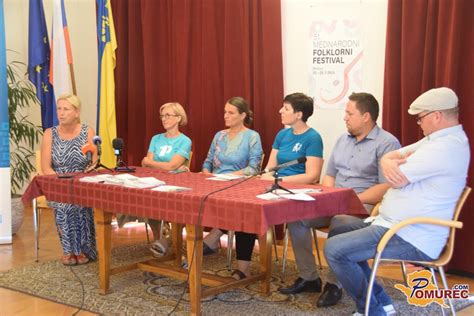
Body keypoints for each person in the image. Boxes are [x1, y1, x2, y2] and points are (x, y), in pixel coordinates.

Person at [324, 87, 470, 315]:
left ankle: (371, 310)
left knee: (335, 249)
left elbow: (396, 179)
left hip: (411, 234)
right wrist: (389, 160)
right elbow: (391, 157)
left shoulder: (446, 147)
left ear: (437, 116)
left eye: (421, 118)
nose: (419, 124)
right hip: (393, 224)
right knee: (340, 228)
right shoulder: (435, 140)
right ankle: (381, 300)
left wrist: (391, 161)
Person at [279, 92, 401, 309]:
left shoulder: (387, 143)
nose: (344, 117)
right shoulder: (342, 140)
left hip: (364, 205)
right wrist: (328, 197)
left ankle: (333, 284)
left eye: (349, 113)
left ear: (366, 116)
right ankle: (309, 277)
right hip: (335, 201)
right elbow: (330, 174)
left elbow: (386, 186)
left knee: (341, 222)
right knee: (296, 216)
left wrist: (349, 198)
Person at [117, 102, 192, 257]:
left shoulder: (185, 141)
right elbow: (146, 164)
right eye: (162, 116)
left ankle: (168, 239)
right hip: (154, 181)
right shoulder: (156, 139)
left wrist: (153, 163)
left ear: (178, 118)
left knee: (180, 204)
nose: (164, 119)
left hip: (175, 185)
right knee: (147, 199)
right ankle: (160, 238)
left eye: (168, 115)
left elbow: (168, 165)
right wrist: (160, 165)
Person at [201, 96, 263, 280]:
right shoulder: (219, 135)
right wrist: (207, 173)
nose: (225, 116)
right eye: (225, 112)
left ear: (242, 115)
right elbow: (208, 161)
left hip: (240, 185)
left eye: (231, 112)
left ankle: (214, 238)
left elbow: (253, 168)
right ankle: (201, 244)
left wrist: (226, 177)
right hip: (214, 183)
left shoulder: (252, 137)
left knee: (242, 210)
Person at [41, 94, 97, 266]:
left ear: (76, 112)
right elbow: (46, 167)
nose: (61, 113)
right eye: (59, 109)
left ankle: (84, 249)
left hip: (81, 181)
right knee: (65, 205)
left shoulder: (87, 131)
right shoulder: (50, 134)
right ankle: (69, 250)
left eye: (66, 109)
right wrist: (60, 184)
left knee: (80, 204)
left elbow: (94, 160)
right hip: (58, 183)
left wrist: (87, 172)